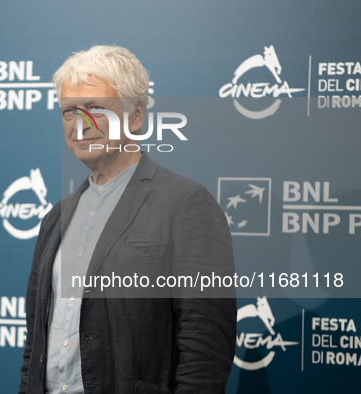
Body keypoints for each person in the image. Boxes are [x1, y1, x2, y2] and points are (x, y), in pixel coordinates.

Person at [19, 45, 236, 394]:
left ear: (135, 116)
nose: (80, 124)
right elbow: (36, 346)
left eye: (95, 109)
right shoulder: (55, 218)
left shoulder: (186, 204)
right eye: (69, 111)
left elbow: (206, 349)